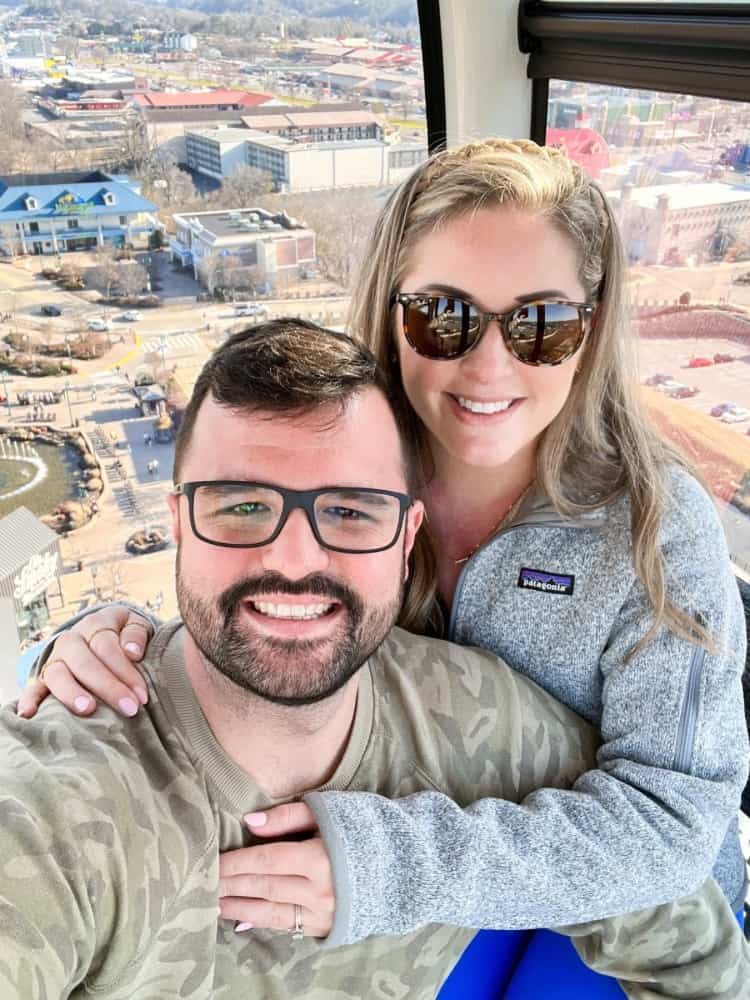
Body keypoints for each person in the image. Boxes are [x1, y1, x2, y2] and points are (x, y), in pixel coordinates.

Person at [22, 141, 749, 992]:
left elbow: (673, 823)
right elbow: (252, 579)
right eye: (443, 316)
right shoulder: (355, 453)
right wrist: (105, 644)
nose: (487, 366)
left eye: (541, 326)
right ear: (391, 310)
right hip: (403, 895)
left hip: (631, 907)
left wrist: (390, 871)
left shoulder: (653, 525)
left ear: (589, 332)